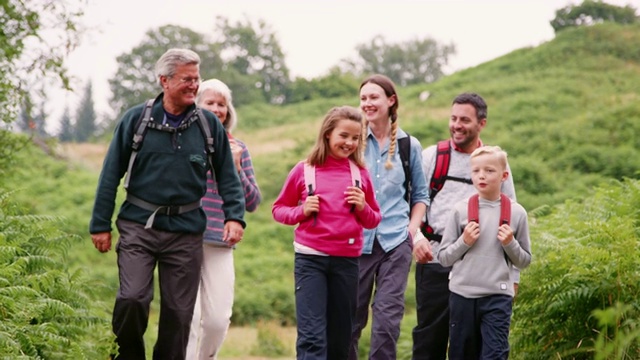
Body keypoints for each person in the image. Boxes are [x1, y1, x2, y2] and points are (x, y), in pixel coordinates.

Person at [89, 48, 246, 360]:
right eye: (186, 79)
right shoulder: (137, 120)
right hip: (138, 227)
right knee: (132, 298)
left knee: (178, 313)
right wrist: (100, 225)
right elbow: (110, 174)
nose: (194, 85)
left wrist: (234, 217)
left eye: (196, 79)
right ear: (164, 80)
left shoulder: (207, 125)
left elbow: (228, 175)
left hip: (186, 232)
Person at [412, 92, 517, 360]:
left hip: (480, 272)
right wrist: (416, 239)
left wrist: (513, 277)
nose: (457, 125)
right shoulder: (432, 157)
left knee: (469, 346)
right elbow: (408, 205)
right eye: (453, 118)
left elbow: (510, 220)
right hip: (435, 262)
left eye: (465, 120)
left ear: (482, 123)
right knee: (429, 341)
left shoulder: (495, 163)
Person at [272, 106, 382, 360]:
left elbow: (374, 219)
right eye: (344, 136)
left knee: (341, 337)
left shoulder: (360, 174)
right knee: (312, 336)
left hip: (347, 262)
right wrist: (301, 211)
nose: (350, 143)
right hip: (310, 261)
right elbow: (278, 210)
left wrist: (362, 206)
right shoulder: (304, 170)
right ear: (328, 134)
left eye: (356, 138)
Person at [349, 74, 430, 360]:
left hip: (396, 243)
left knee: (386, 323)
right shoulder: (353, 142)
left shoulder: (410, 146)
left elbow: (420, 196)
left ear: (390, 100)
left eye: (374, 97)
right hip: (355, 243)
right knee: (350, 321)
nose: (367, 104)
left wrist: (411, 230)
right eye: (363, 99)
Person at [186, 79, 262, 359]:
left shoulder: (239, 147)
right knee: (188, 318)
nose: (216, 109)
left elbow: (253, 202)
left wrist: (237, 167)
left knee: (217, 320)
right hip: (184, 238)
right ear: (196, 105)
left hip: (220, 242)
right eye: (210, 102)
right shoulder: (183, 142)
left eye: (222, 104)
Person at [437, 146, 531, 359]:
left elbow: (525, 261)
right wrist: (464, 241)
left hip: (498, 297)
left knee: (495, 354)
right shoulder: (459, 210)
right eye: (476, 171)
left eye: (489, 170)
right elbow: (443, 258)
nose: (482, 176)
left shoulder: (517, 213)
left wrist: (510, 243)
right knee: (460, 354)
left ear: (504, 176)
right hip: (462, 296)